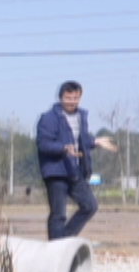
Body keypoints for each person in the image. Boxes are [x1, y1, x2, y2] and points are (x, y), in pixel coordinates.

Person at [36, 81, 118, 240]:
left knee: (90, 206)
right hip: (56, 171)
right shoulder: (49, 118)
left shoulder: (80, 116)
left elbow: (80, 142)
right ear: (60, 97)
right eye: (68, 98)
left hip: (74, 171)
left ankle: (63, 239)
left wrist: (95, 142)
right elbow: (43, 144)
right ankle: (56, 247)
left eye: (75, 98)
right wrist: (63, 148)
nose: (72, 101)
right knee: (58, 214)